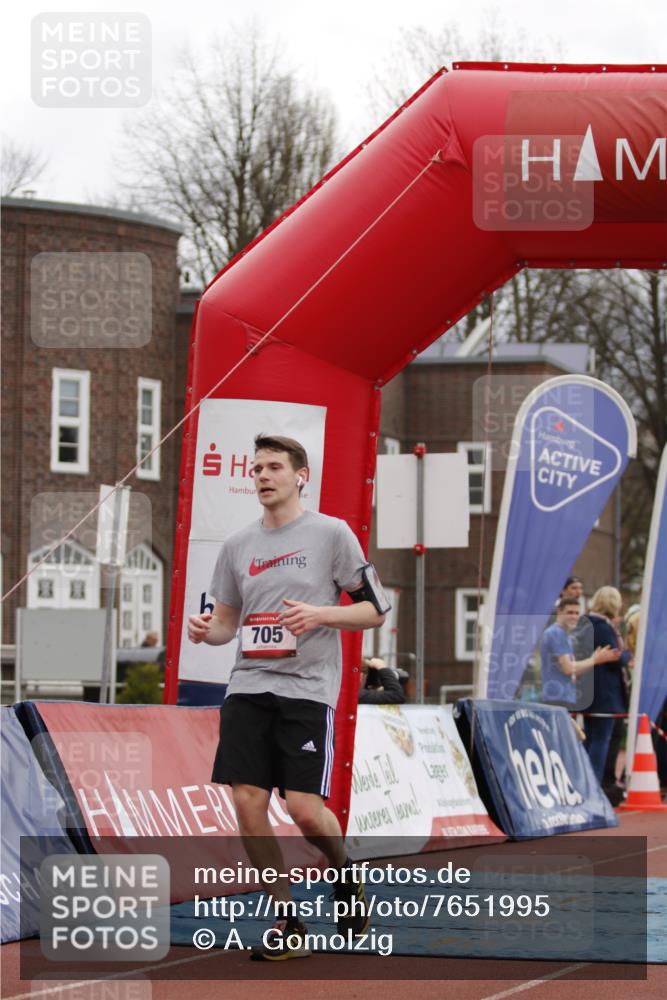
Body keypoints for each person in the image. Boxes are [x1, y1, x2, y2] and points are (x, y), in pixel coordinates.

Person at [187, 434, 387, 960]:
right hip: (249, 686)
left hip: (306, 690)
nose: (262, 476)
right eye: (257, 469)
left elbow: (375, 610)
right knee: (247, 802)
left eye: (274, 467)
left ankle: (344, 873)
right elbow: (226, 625)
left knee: (304, 810)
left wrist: (321, 614)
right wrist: (205, 631)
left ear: (301, 476)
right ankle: (287, 919)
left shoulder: (332, 534)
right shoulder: (237, 545)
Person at [581, 587, 633, 788]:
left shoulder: (587, 623)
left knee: (591, 738)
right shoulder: (603, 628)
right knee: (601, 739)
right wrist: (628, 654)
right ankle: (594, 783)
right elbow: (615, 658)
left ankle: (587, 782)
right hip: (605, 693)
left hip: (590, 690)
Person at [539, 596, 620, 708]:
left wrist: (597, 659)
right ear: (559, 612)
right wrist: (595, 660)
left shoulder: (565, 635)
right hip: (557, 699)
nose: (574, 616)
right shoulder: (556, 633)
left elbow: (574, 671)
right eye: (570, 612)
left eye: (577, 613)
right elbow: (568, 668)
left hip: (565, 697)